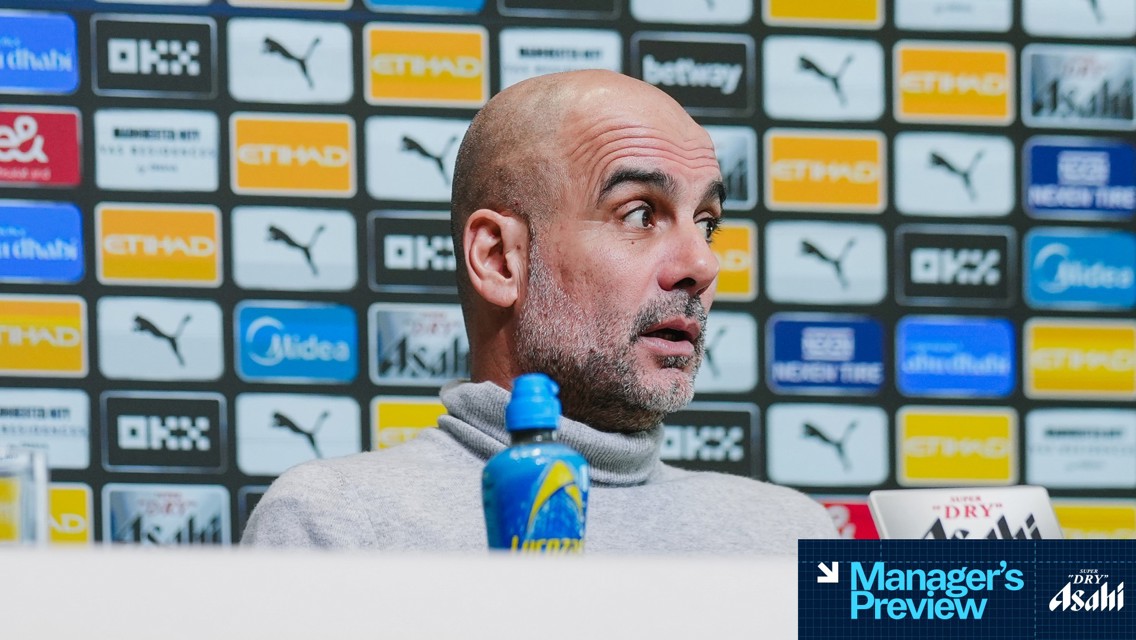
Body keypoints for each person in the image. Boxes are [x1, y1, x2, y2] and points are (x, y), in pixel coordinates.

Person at [242, 70, 838, 552]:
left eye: (706, 224)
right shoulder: (338, 526)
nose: (702, 266)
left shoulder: (790, 536)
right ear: (500, 258)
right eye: (640, 214)